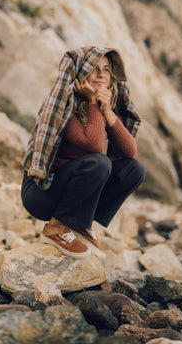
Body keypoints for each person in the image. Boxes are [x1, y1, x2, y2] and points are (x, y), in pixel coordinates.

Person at [21, 46, 146, 259]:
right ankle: (56, 228)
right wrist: (92, 103)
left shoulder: (105, 105)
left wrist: (106, 110)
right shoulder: (64, 105)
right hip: (41, 193)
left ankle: (79, 224)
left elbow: (129, 151)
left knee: (134, 169)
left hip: (71, 190)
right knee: (99, 162)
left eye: (106, 70)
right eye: (95, 69)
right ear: (81, 73)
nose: (101, 75)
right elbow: (95, 145)